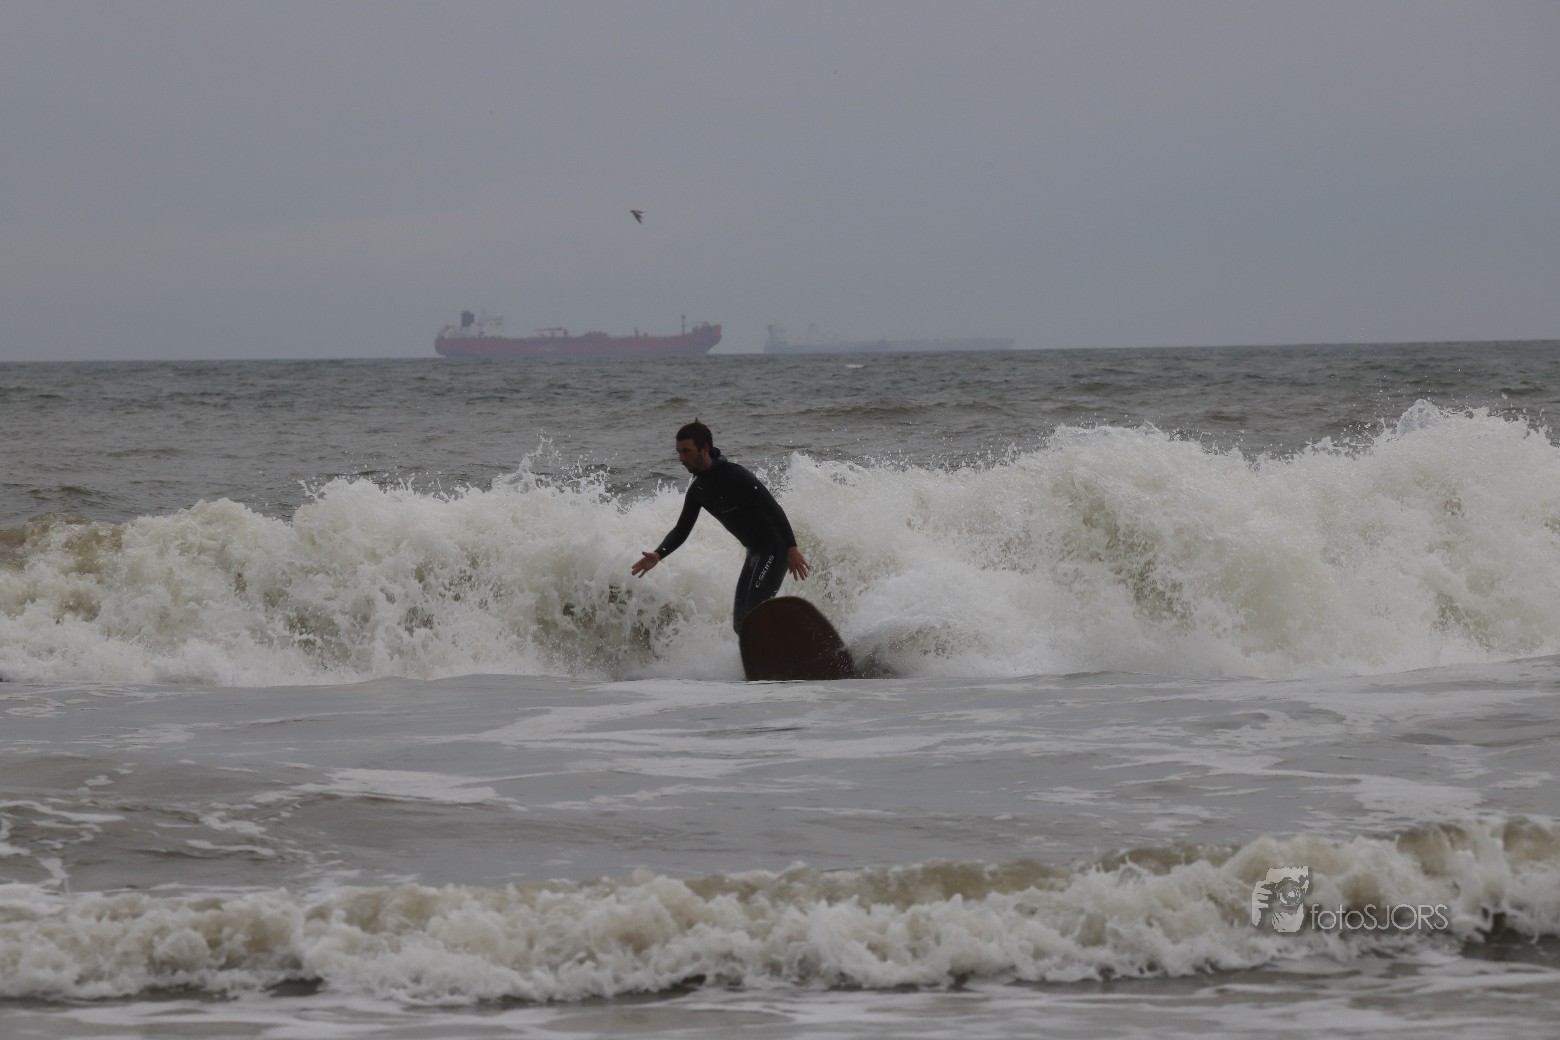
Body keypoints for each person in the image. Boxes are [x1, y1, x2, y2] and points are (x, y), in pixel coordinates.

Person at [631, 420, 811, 631]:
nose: (681, 458)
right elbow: (681, 529)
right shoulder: (698, 490)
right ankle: (775, 645)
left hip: (775, 548)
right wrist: (659, 554)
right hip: (754, 554)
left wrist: (791, 548)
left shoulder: (735, 475)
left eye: (686, 451)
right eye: (679, 452)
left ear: (704, 448)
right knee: (741, 624)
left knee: (755, 613)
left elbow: (773, 508)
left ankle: (794, 634)